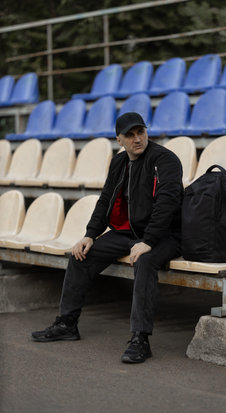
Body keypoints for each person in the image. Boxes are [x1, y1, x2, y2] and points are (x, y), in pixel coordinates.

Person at [32, 112, 183, 363]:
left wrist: (148, 241)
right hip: (129, 232)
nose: (137, 139)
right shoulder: (119, 162)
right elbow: (105, 199)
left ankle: (140, 339)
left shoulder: (165, 160)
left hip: (164, 235)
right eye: (130, 135)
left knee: (145, 262)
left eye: (141, 132)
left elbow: (168, 203)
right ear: (119, 140)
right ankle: (67, 324)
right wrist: (90, 235)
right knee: (81, 254)